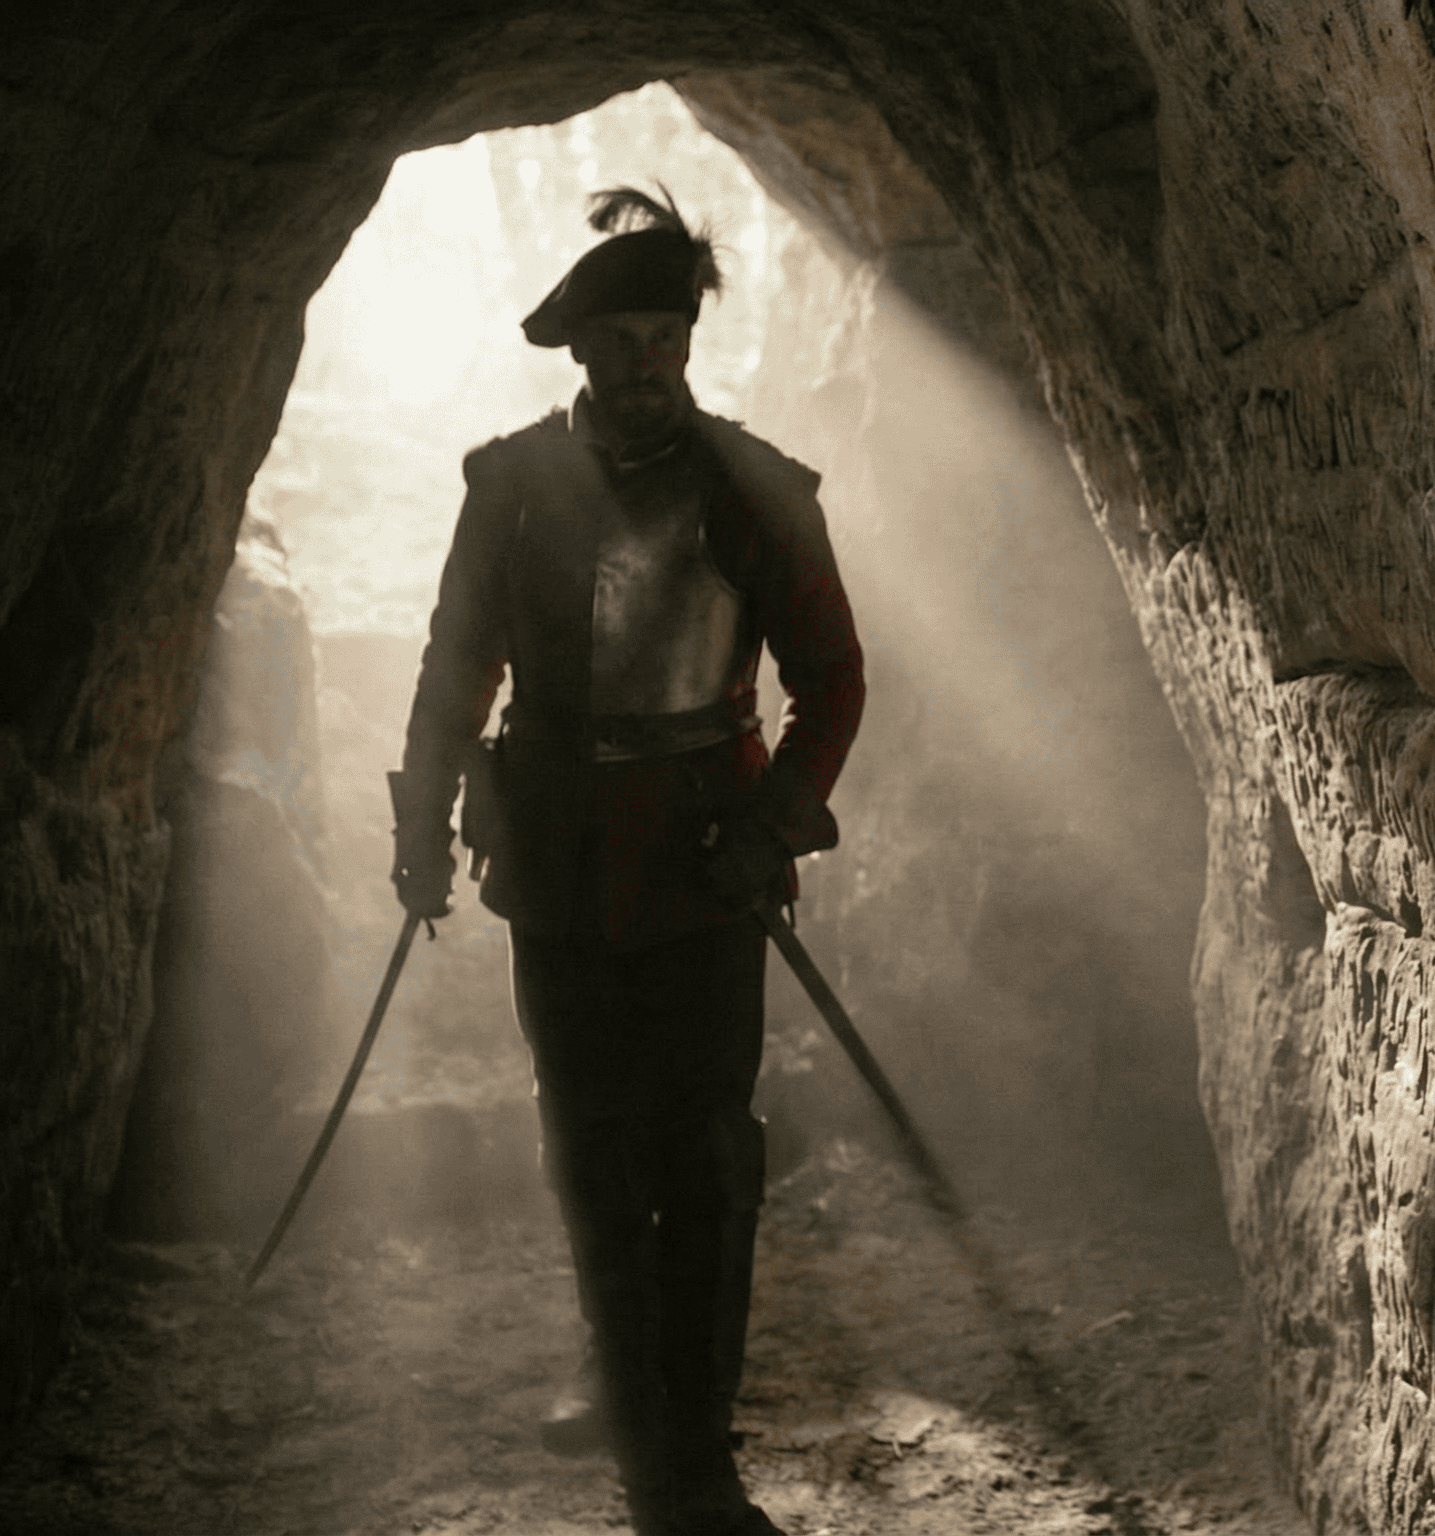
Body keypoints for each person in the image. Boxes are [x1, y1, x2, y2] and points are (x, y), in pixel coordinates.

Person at [390, 186, 865, 1536]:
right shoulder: (511, 489)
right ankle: (620, 1372)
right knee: (587, 1140)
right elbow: (456, 669)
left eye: (665, 337)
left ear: (689, 340)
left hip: (705, 866)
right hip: (553, 861)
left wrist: (768, 830)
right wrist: (423, 821)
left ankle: (692, 1451)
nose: (644, 363)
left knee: (706, 1153)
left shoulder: (757, 489)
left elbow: (832, 679)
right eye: (619, 342)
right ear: (581, 350)